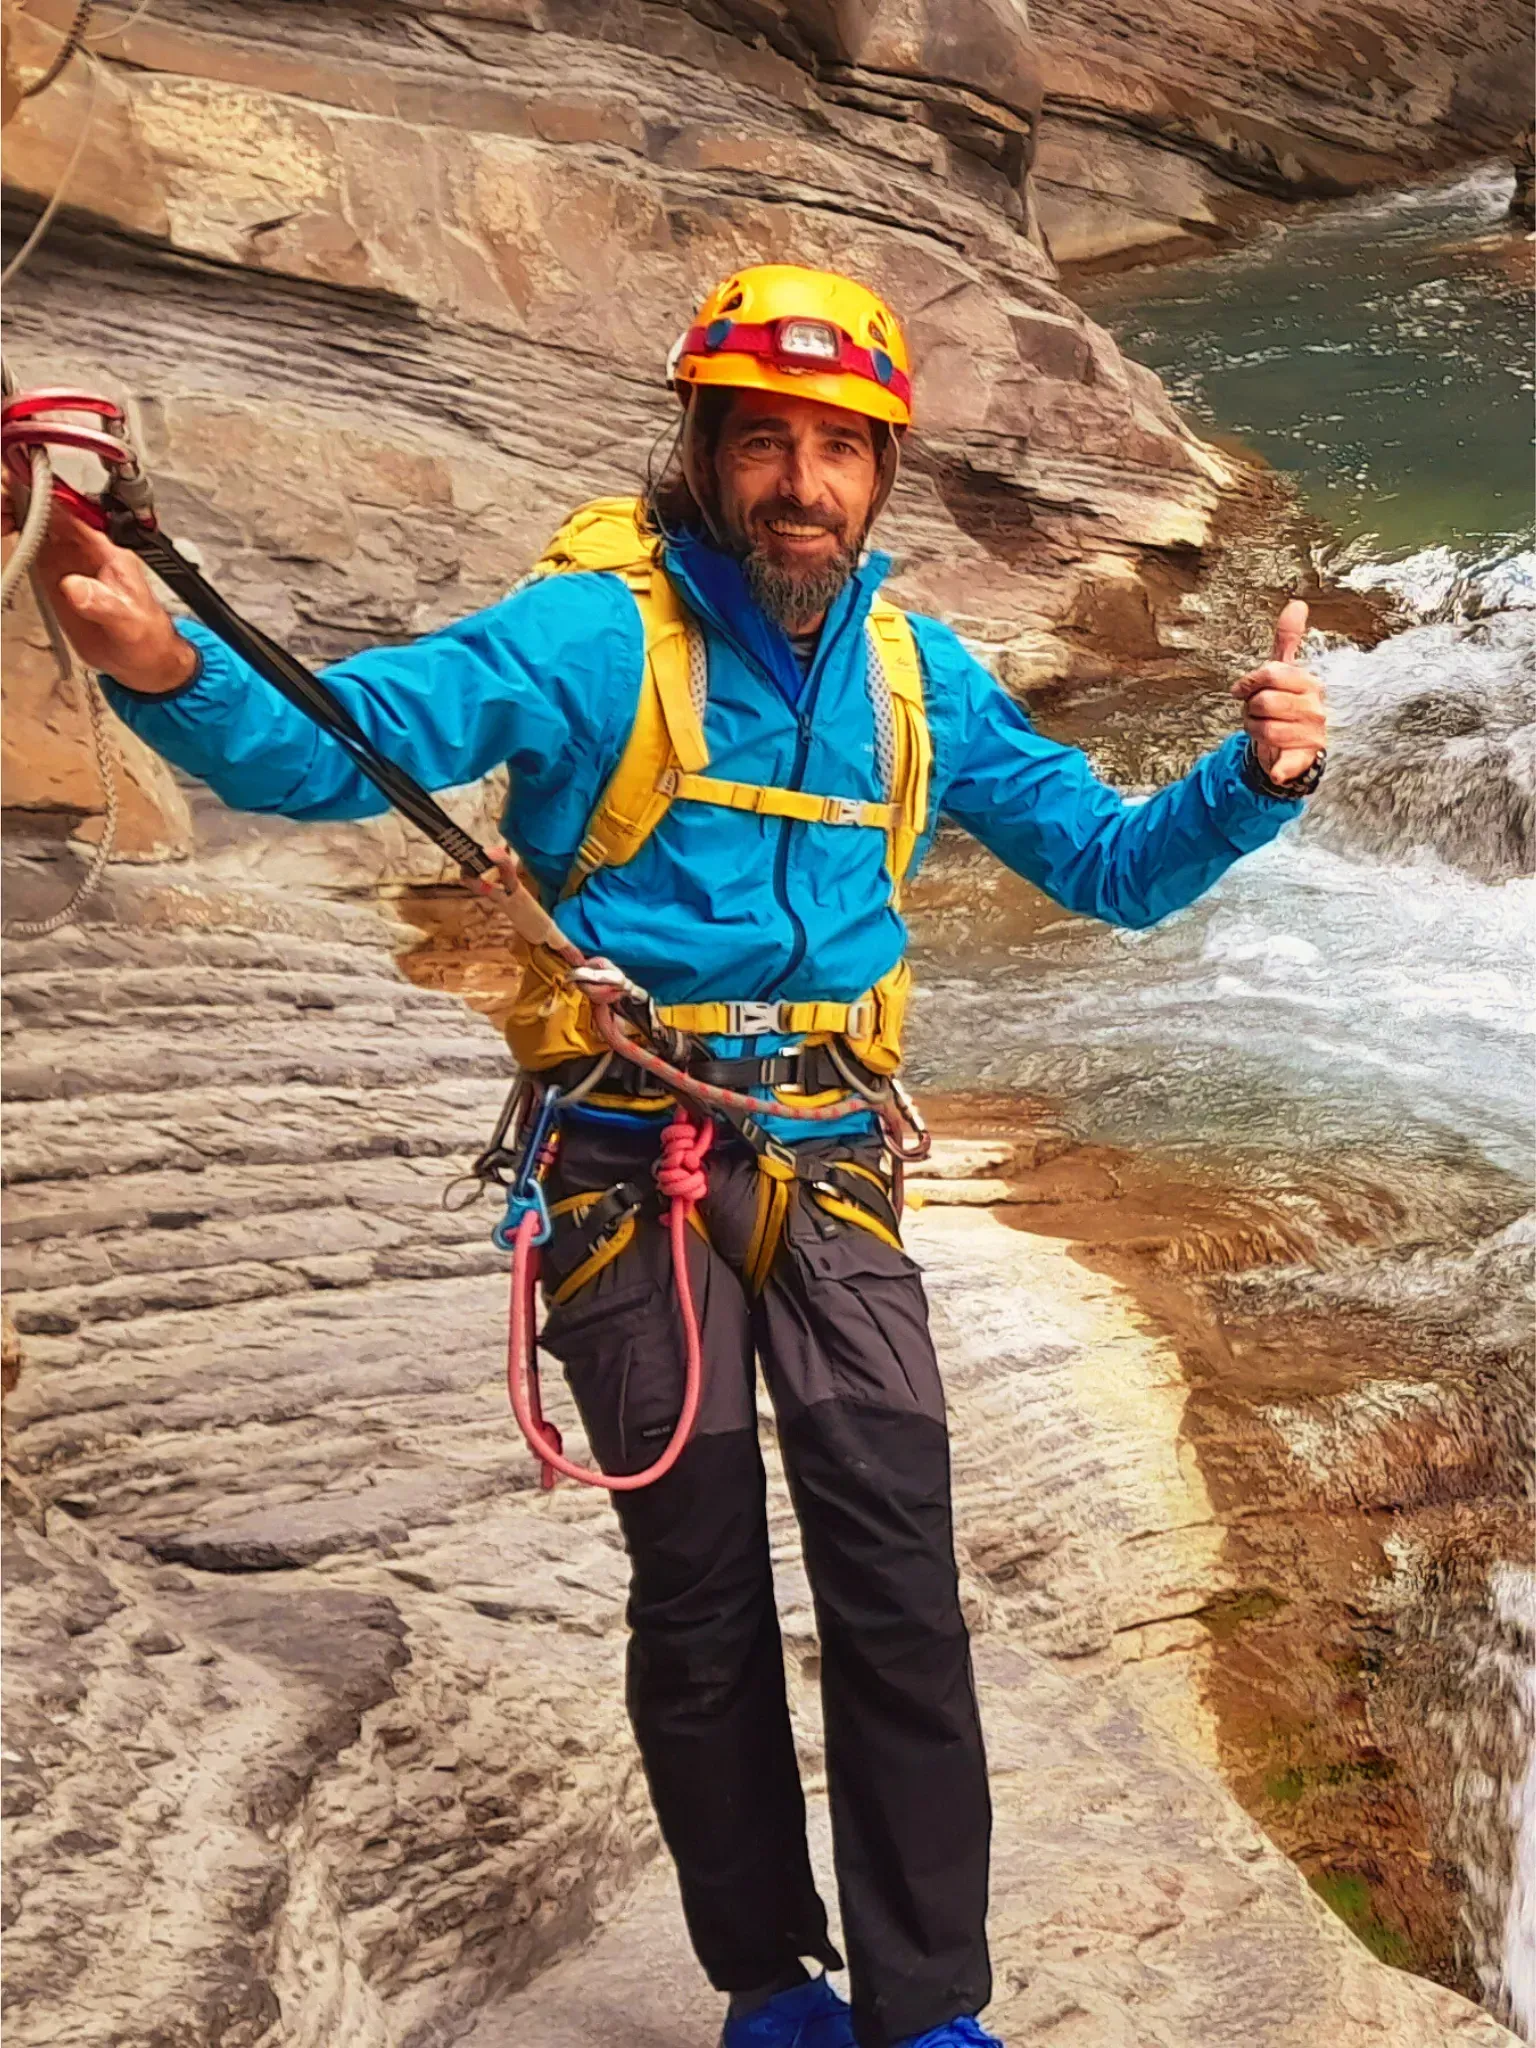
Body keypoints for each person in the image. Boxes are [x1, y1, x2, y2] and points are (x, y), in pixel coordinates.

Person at [7, 266, 1326, 2048]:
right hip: (627, 1158)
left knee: (898, 1572)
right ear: (699, 452)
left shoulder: (910, 668)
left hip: (831, 1151)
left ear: (882, 476)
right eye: (763, 441)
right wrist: (158, 655)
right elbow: (354, 745)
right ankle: (767, 1981)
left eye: (837, 450)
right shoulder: (587, 637)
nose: (802, 481)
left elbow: (1105, 865)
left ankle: (926, 2006)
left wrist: (1252, 782)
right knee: (697, 1579)